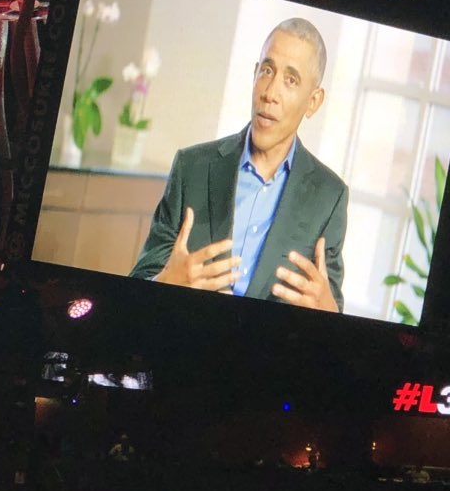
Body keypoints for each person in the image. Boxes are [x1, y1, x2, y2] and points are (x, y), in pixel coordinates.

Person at [130, 18, 347, 312]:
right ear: (254, 74)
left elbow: (327, 310)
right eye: (267, 70)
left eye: (291, 80)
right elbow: (135, 288)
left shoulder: (329, 197)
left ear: (313, 102)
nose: (270, 93)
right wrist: (164, 283)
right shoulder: (191, 169)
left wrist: (329, 313)